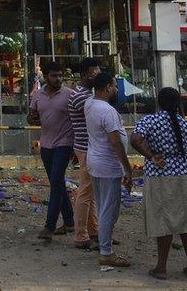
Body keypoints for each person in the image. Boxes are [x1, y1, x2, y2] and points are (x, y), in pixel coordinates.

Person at [130, 87, 187, 280]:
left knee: (163, 220)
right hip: (186, 176)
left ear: (159, 102)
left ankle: (161, 268)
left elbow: (135, 139)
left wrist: (152, 156)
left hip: (159, 175)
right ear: (178, 103)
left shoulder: (150, 121)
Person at [84, 71, 133, 267]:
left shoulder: (90, 104)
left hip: (96, 162)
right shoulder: (107, 111)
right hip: (108, 165)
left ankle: (104, 244)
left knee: (104, 206)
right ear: (107, 88)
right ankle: (106, 252)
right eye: (114, 85)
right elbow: (115, 142)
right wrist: (127, 168)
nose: (115, 89)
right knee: (108, 210)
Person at [27, 60, 75, 241]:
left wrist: (77, 146)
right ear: (46, 77)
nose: (58, 79)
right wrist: (32, 118)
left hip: (65, 143)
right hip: (46, 144)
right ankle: (70, 221)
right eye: (54, 76)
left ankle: (49, 226)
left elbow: (78, 120)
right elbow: (32, 117)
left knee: (55, 181)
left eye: (60, 75)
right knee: (58, 183)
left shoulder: (70, 95)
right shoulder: (37, 95)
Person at [68, 57, 101, 249]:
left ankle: (94, 231)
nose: (97, 74)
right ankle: (81, 235)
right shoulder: (83, 97)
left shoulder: (86, 94)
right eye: (94, 72)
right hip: (87, 147)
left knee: (90, 192)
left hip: (86, 146)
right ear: (85, 74)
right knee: (86, 191)